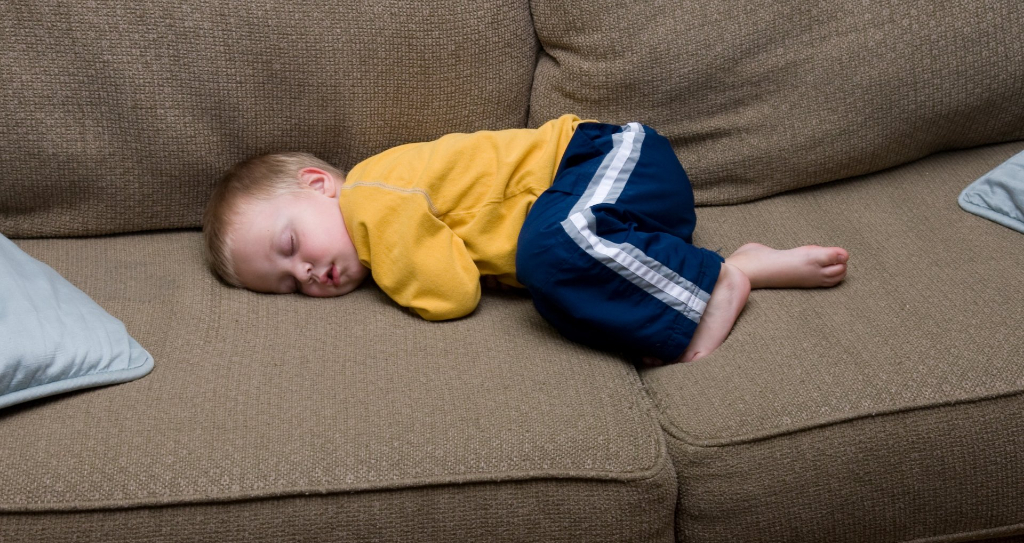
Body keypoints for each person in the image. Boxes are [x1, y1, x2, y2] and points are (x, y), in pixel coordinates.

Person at [203, 115, 848, 365]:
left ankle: (719, 282)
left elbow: (452, 294)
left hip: (608, 160)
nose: (306, 274)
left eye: (290, 246)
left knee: (546, 250)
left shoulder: (371, 198)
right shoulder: (378, 224)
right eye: (286, 284)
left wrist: (398, 271)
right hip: (621, 221)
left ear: (320, 185)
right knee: (551, 280)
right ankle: (740, 266)